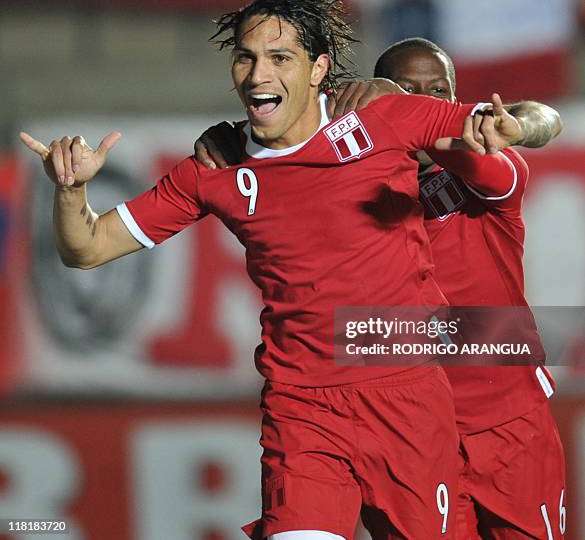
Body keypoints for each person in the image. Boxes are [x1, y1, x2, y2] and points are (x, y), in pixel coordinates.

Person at [21, 0, 520, 539]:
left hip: (405, 398)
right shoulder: (215, 168)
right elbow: (86, 249)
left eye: (280, 57)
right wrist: (70, 189)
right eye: (246, 57)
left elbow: (523, 122)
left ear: (317, 69)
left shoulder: (382, 118)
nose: (259, 75)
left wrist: (505, 129)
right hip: (302, 408)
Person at [195, 37, 567, 539]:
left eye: (437, 92)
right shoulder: (342, 186)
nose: (423, 101)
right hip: (404, 432)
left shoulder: (487, 174)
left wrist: (496, 122)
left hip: (506, 421)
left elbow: (543, 120)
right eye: (406, 90)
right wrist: (236, 142)